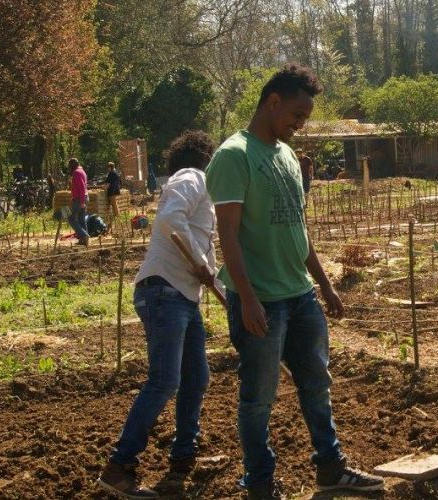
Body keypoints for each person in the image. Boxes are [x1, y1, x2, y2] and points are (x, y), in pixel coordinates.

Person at [206, 65, 383, 499]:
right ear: (273, 102)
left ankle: (330, 467)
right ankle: (260, 483)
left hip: (300, 295)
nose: (300, 125)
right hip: (261, 299)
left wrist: (324, 283)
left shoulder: (286, 154)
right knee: (258, 398)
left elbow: (297, 227)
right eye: (297, 115)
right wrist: (245, 298)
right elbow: (226, 232)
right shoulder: (234, 155)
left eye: (304, 118)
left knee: (317, 384)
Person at [97, 131, 219, 499]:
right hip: (165, 292)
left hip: (183, 295)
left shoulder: (203, 190)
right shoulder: (191, 177)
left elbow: (205, 255)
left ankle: (183, 456)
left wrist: (224, 288)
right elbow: (168, 218)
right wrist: (198, 262)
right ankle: (119, 467)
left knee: (196, 378)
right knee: (165, 381)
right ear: (205, 159)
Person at [67, 158, 90, 246]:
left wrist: (81, 201)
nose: (69, 168)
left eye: (69, 166)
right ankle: (83, 240)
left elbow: (81, 187)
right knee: (81, 219)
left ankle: (84, 235)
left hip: (80, 199)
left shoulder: (76, 173)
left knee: (71, 218)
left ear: (72, 165)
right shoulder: (82, 171)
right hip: (83, 197)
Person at [105, 162, 122, 228]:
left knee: (114, 204)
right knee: (115, 204)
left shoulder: (111, 173)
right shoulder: (116, 172)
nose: (107, 169)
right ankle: (118, 217)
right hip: (116, 190)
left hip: (112, 191)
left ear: (110, 167)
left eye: (108, 167)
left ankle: (117, 218)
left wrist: (104, 188)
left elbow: (108, 183)